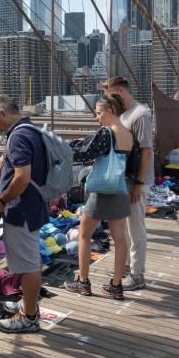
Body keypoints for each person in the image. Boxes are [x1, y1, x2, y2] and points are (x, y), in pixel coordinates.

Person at [0, 95, 48, 334]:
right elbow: (2, 164)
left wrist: (1, 200)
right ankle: (29, 304)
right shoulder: (27, 129)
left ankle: (29, 317)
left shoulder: (19, 135)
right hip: (33, 206)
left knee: (28, 264)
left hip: (22, 210)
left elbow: (21, 177)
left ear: (1, 113)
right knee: (31, 259)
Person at [63, 94, 136, 299]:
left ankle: (83, 282)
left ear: (110, 111)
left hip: (102, 190)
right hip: (120, 189)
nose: (97, 117)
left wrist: (61, 149)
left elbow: (86, 153)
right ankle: (116, 285)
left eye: (98, 112)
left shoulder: (106, 132)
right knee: (120, 239)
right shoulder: (128, 135)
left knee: (84, 234)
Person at [101, 76, 153, 291]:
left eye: (110, 95)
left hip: (135, 181)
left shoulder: (140, 115)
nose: (108, 100)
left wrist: (139, 183)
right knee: (122, 228)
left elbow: (146, 150)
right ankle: (126, 266)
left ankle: (138, 275)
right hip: (123, 179)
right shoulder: (122, 113)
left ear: (121, 91)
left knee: (135, 228)